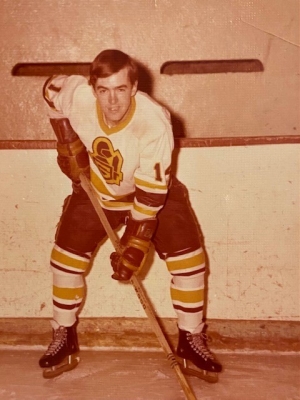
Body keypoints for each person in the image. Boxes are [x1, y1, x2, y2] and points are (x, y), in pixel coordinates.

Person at [39, 49, 222, 380]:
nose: (112, 102)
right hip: (98, 190)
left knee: (189, 260)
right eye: (104, 90)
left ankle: (191, 339)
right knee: (65, 259)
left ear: (135, 88)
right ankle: (63, 335)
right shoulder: (77, 94)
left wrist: (135, 242)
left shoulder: (154, 121)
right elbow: (51, 91)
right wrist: (65, 140)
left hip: (152, 196)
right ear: (93, 88)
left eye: (121, 89)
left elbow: (151, 193)